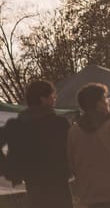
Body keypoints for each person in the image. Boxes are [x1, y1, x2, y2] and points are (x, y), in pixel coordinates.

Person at [0, 80, 73, 208]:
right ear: (43, 99)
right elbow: (72, 149)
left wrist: (11, 170)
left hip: (33, 183)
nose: (54, 99)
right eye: (52, 96)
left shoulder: (18, 125)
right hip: (58, 182)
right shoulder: (59, 123)